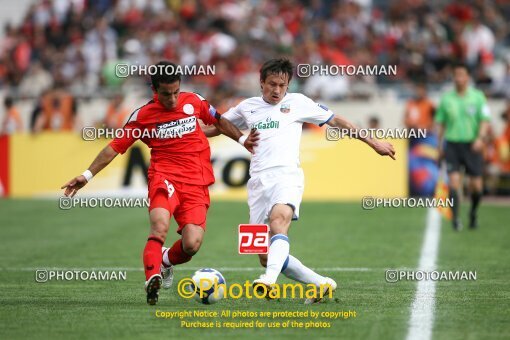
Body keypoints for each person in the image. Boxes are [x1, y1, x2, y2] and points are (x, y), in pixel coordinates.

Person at [61, 61, 259, 305]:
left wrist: (242, 140)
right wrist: (87, 175)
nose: (173, 99)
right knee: (159, 226)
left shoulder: (194, 101)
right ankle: (151, 277)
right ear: (155, 91)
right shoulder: (143, 116)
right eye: (166, 94)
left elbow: (219, 121)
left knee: (192, 244)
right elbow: (114, 147)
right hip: (164, 178)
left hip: (196, 183)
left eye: (176, 92)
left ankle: (164, 261)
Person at [203, 58, 395, 303]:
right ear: (261, 83)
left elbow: (336, 121)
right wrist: (182, 132)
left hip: (287, 175)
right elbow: (219, 126)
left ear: (289, 85)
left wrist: (373, 142)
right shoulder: (246, 107)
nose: (277, 90)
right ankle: (321, 284)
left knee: (278, 221)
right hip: (258, 182)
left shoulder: (299, 103)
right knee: (263, 254)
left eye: (282, 85)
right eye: (272, 84)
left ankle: (268, 282)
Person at [436, 62, 491, 231]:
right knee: (453, 182)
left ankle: (473, 213)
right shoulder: (446, 99)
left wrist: (480, 138)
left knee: (477, 187)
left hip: (472, 144)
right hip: (452, 144)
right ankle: (455, 219)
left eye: (461, 75)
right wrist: (439, 146)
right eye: (456, 75)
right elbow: (441, 124)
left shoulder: (478, 97)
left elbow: (484, 120)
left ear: (467, 77)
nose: (458, 78)